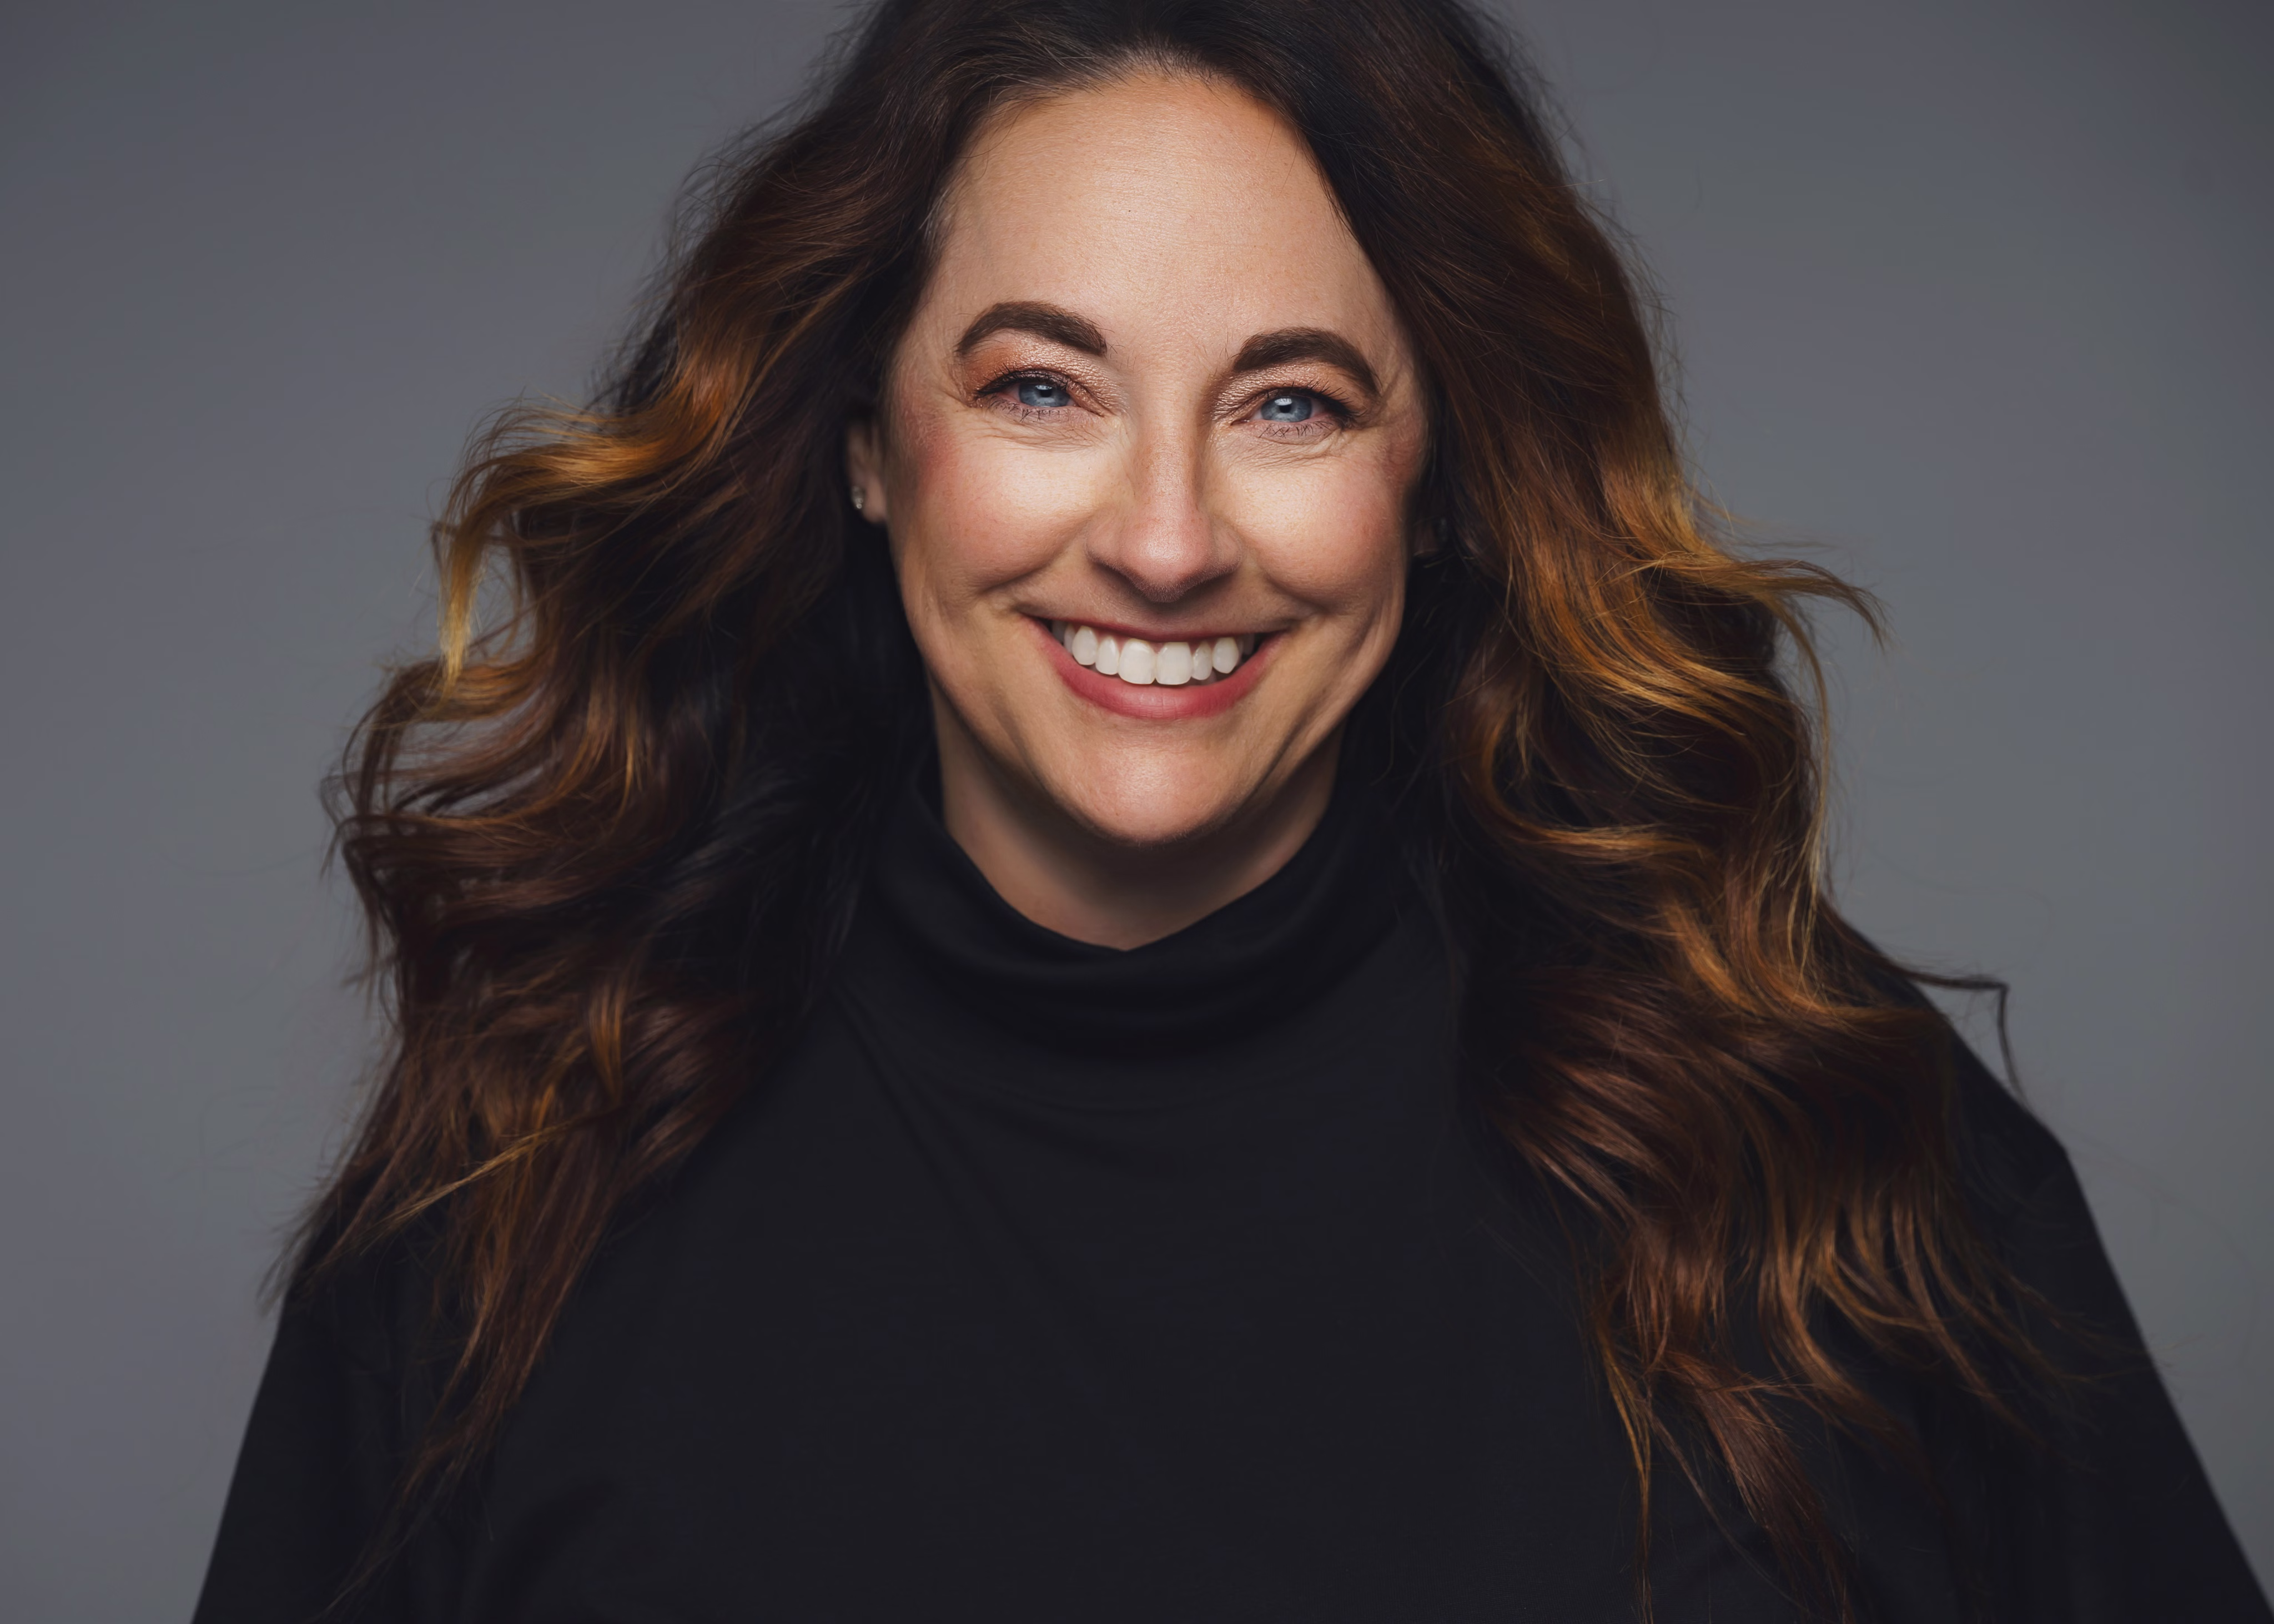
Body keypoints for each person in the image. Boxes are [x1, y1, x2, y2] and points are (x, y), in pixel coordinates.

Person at [194, 0, 2269, 1618]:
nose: (1168, 541)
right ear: (862, 447)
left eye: (1291, 401)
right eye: (1041, 386)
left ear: (1438, 471)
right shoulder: (523, 1179)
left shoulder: (1829, 1149)